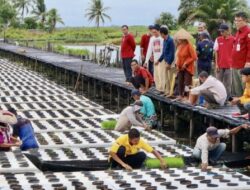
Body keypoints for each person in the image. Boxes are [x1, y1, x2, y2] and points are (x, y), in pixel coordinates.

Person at [174, 29, 197, 100]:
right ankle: (181, 95)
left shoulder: (189, 46)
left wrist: (186, 63)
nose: (178, 40)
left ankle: (187, 96)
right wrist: (177, 65)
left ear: (183, 39)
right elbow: (179, 57)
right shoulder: (180, 46)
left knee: (187, 82)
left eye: (179, 39)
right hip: (181, 67)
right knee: (180, 81)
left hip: (188, 67)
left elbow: (194, 57)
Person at [232, 12, 250, 96]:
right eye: (235, 20)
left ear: (245, 20)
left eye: (238, 20)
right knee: (237, 90)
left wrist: (248, 61)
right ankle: (241, 108)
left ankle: (247, 107)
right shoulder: (238, 32)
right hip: (235, 64)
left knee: (245, 88)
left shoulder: (248, 31)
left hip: (244, 65)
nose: (236, 22)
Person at [214, 23, 234, 99]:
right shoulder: (218, 39)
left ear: (228, 31)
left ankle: (226, 99)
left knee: (228, 84)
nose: (221, 33)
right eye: (220, 31)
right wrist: (216, 64)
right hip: (220, 65)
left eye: (223, 31)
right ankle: (218, 98)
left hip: (229, 66)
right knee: (218, 83)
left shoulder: (233, 39)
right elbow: (216, 52)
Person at [145, 24, 165, 93]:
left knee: (161, 74)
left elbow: (164, 50)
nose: (154, 34)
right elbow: (149, 49)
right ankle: (158, 88)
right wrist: (146, 60)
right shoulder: (152, 38)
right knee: (156, 74)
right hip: (155, 59)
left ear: (159, 31)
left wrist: (160, 59)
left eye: (155, 32)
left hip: (162, 59)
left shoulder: (162, 38)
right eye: (153, 32)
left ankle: (162, 89)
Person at [158, 26, 175, 96]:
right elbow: (164, 52)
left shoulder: (170, 40)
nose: (160, 35)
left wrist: (169, 63)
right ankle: (167, 91)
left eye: (160, 33)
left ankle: (171, 92)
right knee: (166, 77)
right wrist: (159, 60)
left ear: (162, 33)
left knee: (171, 78)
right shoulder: (164, 40)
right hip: (165, 61)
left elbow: (172, 52)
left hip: (170, 62)